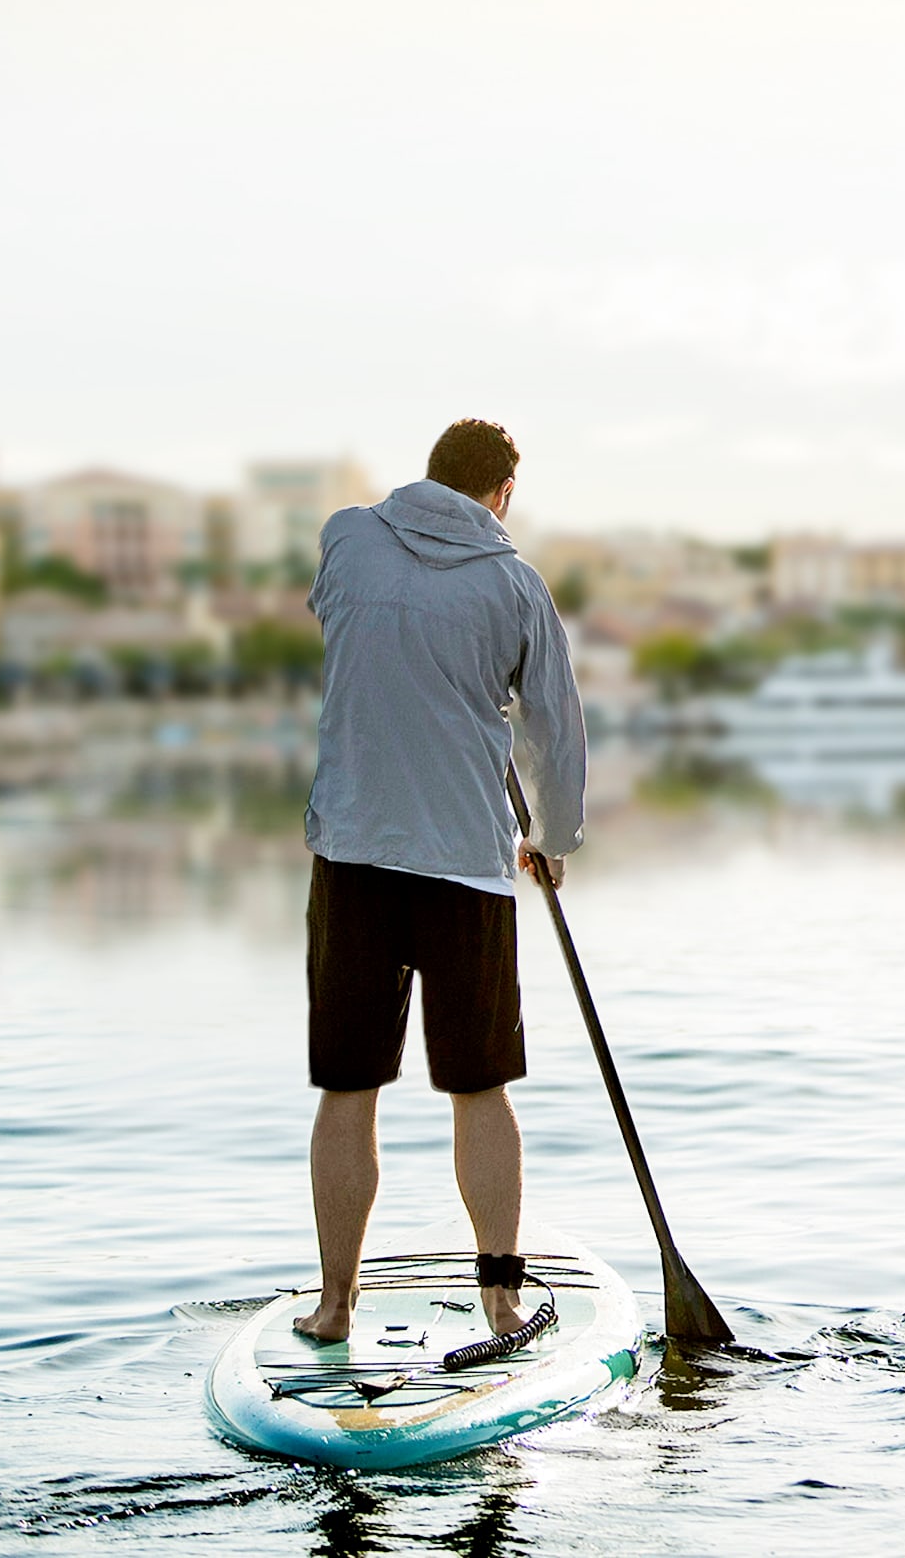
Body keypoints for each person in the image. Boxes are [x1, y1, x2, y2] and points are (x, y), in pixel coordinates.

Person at [292, 418, 587, 1343]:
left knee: (349, 1086)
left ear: (428, 476)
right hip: (466, 861)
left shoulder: (347, 534)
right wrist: (553, 834)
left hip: (353, 852)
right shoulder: (516, 586)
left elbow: (342, 617)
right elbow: (554, 728)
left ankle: (336, 1304)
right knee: (479, 1085)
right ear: (501, 493)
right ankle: (500, 1295)